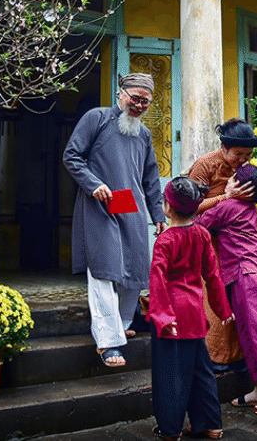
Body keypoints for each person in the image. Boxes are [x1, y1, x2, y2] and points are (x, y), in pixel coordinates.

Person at [63, 72, 167, 368]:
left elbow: (150, 177)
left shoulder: (143, 134)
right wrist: (92, 183)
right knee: (104, 269)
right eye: (135, 99)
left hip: (129, 204)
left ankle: (121, 323)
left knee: (135, 270)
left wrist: (157, 213)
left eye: (145, 102)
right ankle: (108, 342)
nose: (139, 106)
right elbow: (72, 156)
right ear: (120, 93)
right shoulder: (96, 118)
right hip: (100, 201)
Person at [195, 164, 257, 417]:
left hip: (248, 273)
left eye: (234, 179)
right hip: (246, 273)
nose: (230, 181)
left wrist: (225, 194)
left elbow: (198, 222)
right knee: (247, 331)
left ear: (241, 187)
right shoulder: (247, 206)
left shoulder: (229, 206)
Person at [148, 177, 234, 441]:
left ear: (168, 208)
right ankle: (210, 424)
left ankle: (170, 429)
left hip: (172, 314)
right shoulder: (202, 235)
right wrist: (223, 309)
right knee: (201, 372)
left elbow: (158, 281)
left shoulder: (165, 241)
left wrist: (162, 317)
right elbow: (213, 275)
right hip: (195, 312)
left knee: (170, 374)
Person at [187, 118, 257, 372]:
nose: (242, 159)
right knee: (212, 296)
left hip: (234, 242)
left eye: (247, 155)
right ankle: (213, 357)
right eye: (237, 154)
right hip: (205, 239)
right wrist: (225, 197)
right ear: (224, 147)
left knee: (234, 298)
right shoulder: (205, 165)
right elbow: (188, 206)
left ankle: (234, 356)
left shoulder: (245, 168)